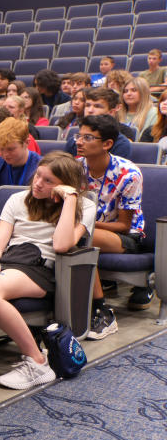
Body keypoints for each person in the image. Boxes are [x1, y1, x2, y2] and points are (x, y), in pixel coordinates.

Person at [0, 151, 94, 389]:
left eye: (48, 181)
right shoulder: (17, 200)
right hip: (11, 262)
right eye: (38, 176)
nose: (38, 183)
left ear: (65, 186)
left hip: (42, 270)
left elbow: (62, 245)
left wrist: (70, 200)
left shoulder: (85, 206)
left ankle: (38, 362)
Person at [77, 114, 147, 337]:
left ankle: (102, 310)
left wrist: (86, 224)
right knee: (73, 235)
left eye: (87, 137)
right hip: (86, 228)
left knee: (80, 237)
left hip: (126, 236)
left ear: (107, 144)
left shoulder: (129, 173)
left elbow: (124, 225)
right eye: (79, 136)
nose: (79, 141)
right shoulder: (75, 167)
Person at [63, 87, 132, 158]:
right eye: (87, 105)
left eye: (97, 106)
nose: (90, 110)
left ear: (111, 112)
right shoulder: (74, 141)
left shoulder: (120, 144)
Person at [0, 117, 41, 194]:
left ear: (26, 143)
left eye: (11, 149)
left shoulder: (41, 167)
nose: (5, 154)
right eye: (1, 149)